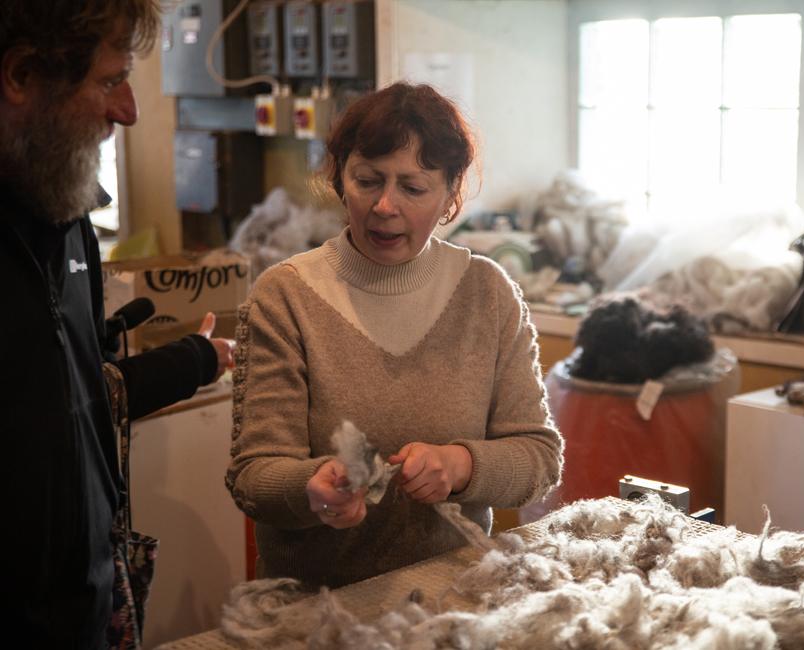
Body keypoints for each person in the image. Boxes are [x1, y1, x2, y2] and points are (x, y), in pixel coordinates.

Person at [226, 82, 564, 588]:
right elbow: (254, 476)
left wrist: (461, 465)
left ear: (451, 193)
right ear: (340, 177)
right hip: (315, 611)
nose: (384, 206)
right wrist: (312, 489)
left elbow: (538, 457)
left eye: (412, 187)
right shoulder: (287, 297)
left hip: (451, 602)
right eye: (368, 181)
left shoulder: (487, 294)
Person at [0, 1, 235, 646]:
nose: (129, 110)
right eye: (110, 81)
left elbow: (73, 400)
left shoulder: (66, 212)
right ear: (21, 75)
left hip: (83, 615)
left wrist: (196, 359)